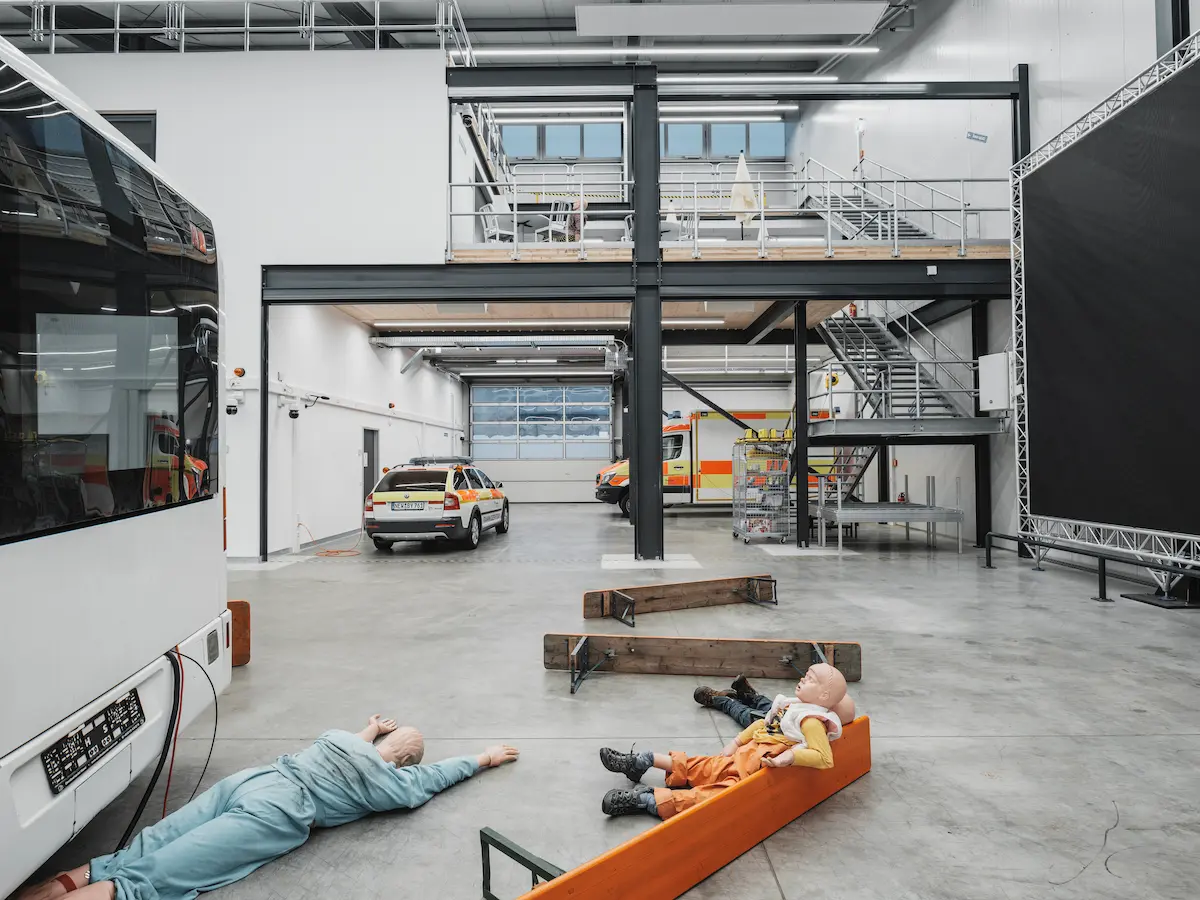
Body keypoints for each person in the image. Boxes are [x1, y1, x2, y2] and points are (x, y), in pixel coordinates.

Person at [22, 716, 519, 900]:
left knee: (145, 847)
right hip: (278, 811)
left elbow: (365, 739)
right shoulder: (390, 785)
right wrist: (482, 758)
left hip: (254, 779)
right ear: (405, 761)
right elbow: (434, 777)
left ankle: (64, 882)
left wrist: (369, 727)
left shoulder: (340, 737)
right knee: (151, 880)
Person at [598, 664, 847, 820]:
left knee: (705, 798)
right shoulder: (793, 706)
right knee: (700, 765)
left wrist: (791, 757)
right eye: (806, 674)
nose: (803, 678)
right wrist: (737, 742)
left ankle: (645, 800)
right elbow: (762, 724)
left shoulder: (811, 721)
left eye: (811, 678)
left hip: (750, 772)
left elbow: (824, 757)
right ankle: (642, 760)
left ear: (824, 695)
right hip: (743, 756)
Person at [693, 672, 856, 728]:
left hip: (772, 725)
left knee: (744, 713)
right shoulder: (809, 707)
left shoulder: (812, 726)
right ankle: (749, 695)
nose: (802, 679)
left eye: (810, 679)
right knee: (768, 704)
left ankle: (724, 701)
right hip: (782, 714)